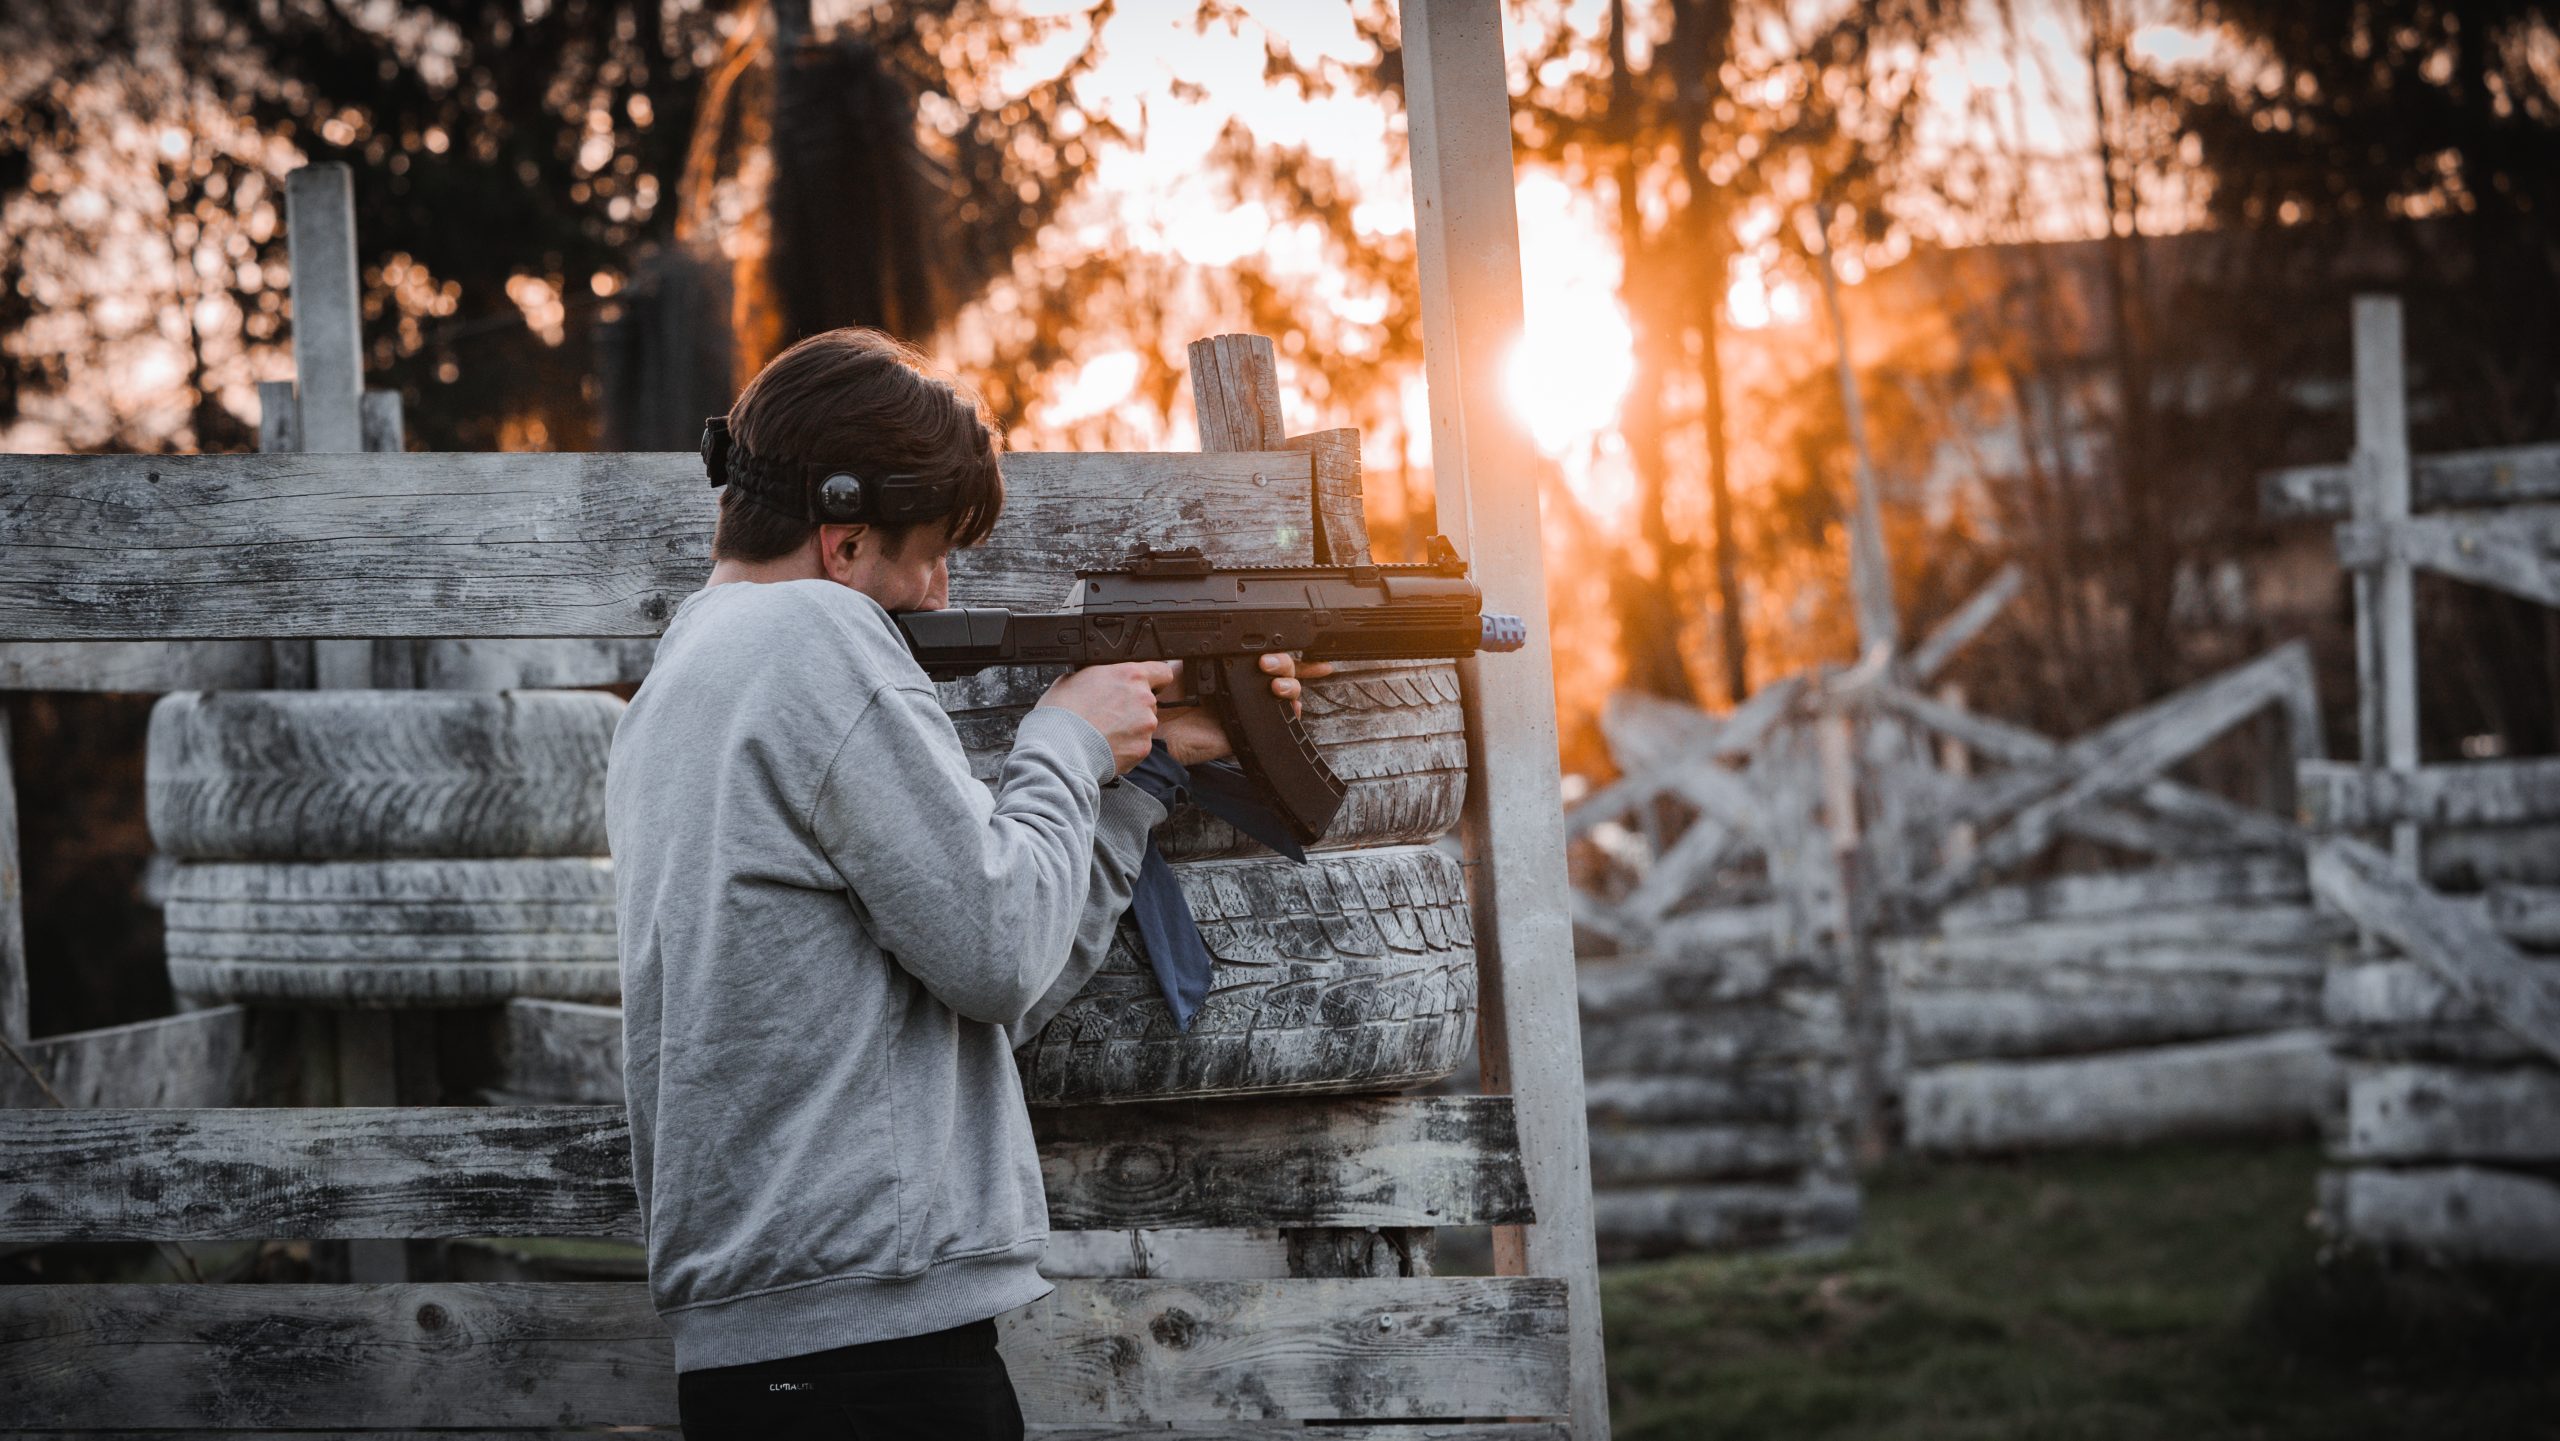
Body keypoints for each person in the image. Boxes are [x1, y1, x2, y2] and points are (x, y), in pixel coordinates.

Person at [605, 327, 1321, 1439]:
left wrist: (1137, 774)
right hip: (867, 1355)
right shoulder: (815, 640)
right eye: (931, 552)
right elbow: (996, 953)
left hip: (789, 1339)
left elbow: (1000, 973)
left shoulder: (688, 676)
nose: (939, 591)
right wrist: (1061, 743)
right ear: (842, 542)